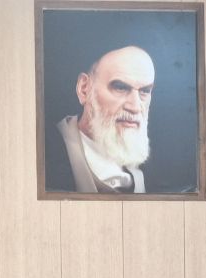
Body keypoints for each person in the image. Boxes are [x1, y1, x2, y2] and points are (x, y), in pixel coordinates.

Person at [47, 45, 155, 193]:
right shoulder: (48, 155)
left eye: (145, 91)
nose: (135, 107)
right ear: (84, 89)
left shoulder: (152, 169)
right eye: (120, 87)